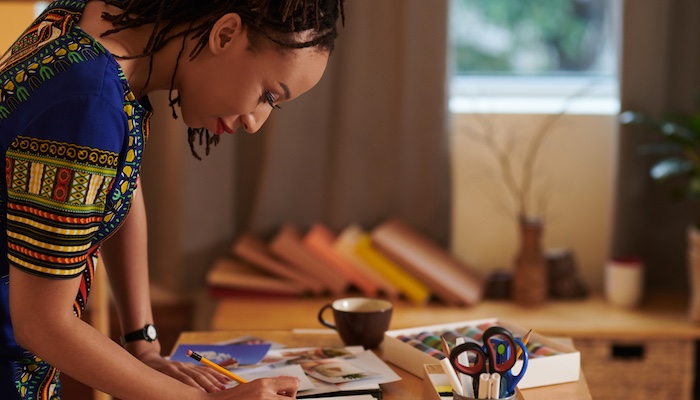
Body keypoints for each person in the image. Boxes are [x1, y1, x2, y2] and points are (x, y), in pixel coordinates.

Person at [0, 0, 345, 399]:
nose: (254, 122)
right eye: (268, 95)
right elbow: (42, 323)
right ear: (225, 34)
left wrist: (142, 342)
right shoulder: (88, 99)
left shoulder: (97, 26)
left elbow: (118, 177)